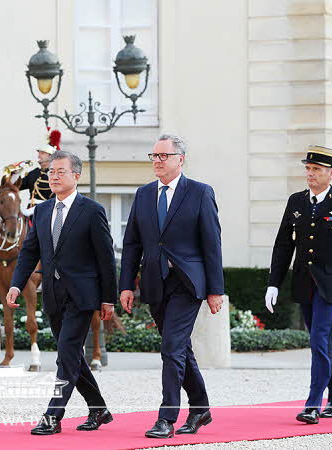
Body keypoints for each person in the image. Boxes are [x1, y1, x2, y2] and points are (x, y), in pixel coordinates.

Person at [119, 134, 224, 439]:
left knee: (170, 347)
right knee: (179, 348)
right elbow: (132, 244)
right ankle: (201, 408)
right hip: (154, 283)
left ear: (181, 159)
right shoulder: (143, 195)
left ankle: (166, 418)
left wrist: (216, 290)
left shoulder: (200, 193)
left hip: (188, 284)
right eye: (154, 156)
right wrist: (126, 286)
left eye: (163, 156)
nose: (158, 161)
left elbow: (212, 244)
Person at [8, 150, 117, 436]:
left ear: (76, 176)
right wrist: (16, 285)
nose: (53, 176)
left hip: (83, 296)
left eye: (60, 172)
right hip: (53, 294)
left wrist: (109, 299)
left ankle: (53, 416)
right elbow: (29, 252)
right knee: (71, 356)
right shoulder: (42, 211)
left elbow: (106, 258)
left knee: (66, 354)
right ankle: (99, 409)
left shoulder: (92, 211)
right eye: (51, 172)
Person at [265, 145, 332, 424]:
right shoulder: (296, 201)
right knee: (322, 342)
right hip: (304, 282)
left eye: (316, 170)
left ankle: (312, 403)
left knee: (319, 340)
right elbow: (283, 244)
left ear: (330, 173)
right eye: (308, 169)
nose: (310, 174)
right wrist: (273, 282)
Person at [16, 127, 59, 216]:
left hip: (47, 213)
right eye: (39, 153)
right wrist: (16, 172)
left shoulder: (56, 175)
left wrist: (35, 209)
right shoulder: (33, 174)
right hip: (29, 213)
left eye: (42, 153)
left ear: (50, 156)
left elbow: (57, 198)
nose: (39, 155)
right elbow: (16, 186)